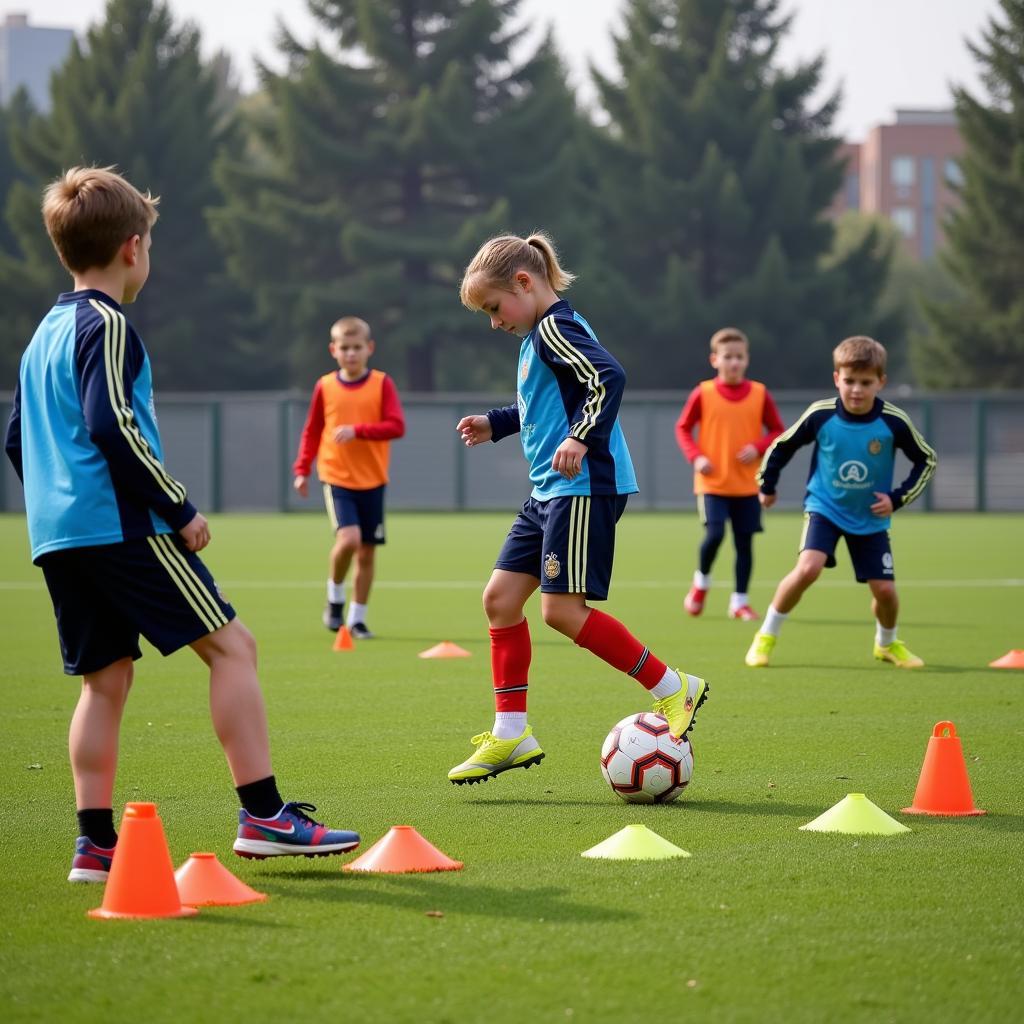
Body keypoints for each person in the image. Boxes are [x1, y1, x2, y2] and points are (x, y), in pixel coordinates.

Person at [3, 166, 359, 883]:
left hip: (59, 536)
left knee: (103, 683)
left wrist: (57, 503)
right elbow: (113, 425)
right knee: (233, 647)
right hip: (121, 527)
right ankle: (264, 816)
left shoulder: (42, 334)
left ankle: (94, 845)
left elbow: (16, 436)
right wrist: (178, 508)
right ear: (133, 248)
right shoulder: (107, 324)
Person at [448, 231, 710, 785]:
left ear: (524, 282)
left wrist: (582, 438)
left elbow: (606, 376)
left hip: (583, 488)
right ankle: (511, 731)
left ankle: (674, 688)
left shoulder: (556, 327)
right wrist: (496, 422)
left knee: (561, 612)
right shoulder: (535, 338)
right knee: (499, 600)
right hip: (548, 492)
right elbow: (541, 403)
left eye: (495, 308)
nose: (494, 321)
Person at [744, 335, 937, 670]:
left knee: (886, 592)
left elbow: (927, 460)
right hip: (825, 508)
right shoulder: (820, 415)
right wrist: (767, 485)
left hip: (870, 517)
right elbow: (781, 446)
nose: (856, 390)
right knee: (808, 569)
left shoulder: (893, 421)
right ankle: (766, 635)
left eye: (866, 382)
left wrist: (897, 497)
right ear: (837, 379)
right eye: (849, 381)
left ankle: (887, 644)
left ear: (881, 382)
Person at [293, 316, 405, 639]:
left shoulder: (382, 383)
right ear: (333, 350)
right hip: (337, 477)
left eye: (357, 347)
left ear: (369, 348)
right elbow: (312, 431)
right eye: (345, 348)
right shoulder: (325, 386)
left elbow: (396, 426)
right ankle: (334, 598)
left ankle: (357, 619)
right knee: (349, 540)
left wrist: (359, 431)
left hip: (373, 479)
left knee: (367, 552)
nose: (351, 354)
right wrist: (302, 470)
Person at [675, 327, 785, 621]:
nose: (734, 362)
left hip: (748, 485)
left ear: (746, 359)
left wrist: (759, 446)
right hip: (713, 483)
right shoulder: (703, 392)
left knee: (744, 543)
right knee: (714, 534)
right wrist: (696, 457)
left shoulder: (760, 393)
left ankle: (740, 601)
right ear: (715, 359)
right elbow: (683, 428)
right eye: (728, 357)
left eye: (739, 357)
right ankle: (701, 584)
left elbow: (777, 430)